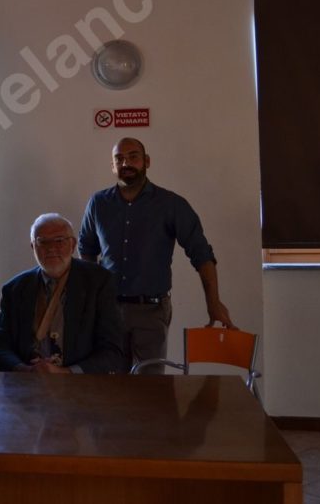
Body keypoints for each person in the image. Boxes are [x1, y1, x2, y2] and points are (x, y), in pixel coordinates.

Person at [78, 137, 235, 372]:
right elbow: (87, 250)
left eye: (133, 156)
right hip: (108, 312)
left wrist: (213, 302)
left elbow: (201, 255)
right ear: (112, 166)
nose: (126, 163)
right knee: (109, 388)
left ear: (147, 161)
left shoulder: (171, 204)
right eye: (119, 159)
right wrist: (92, 298)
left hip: (151, 312)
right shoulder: (98, 203)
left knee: (150, 391)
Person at [0, 213, 125, 374]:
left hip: (79, 385)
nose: (51, 248)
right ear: (33, 247)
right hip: (27, 382)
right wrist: (24, 370)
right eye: (42, 242)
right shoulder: (16, 289)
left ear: (73, 244)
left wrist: (67, 373)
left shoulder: (98, 282)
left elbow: (112, 352)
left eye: (59, 241)